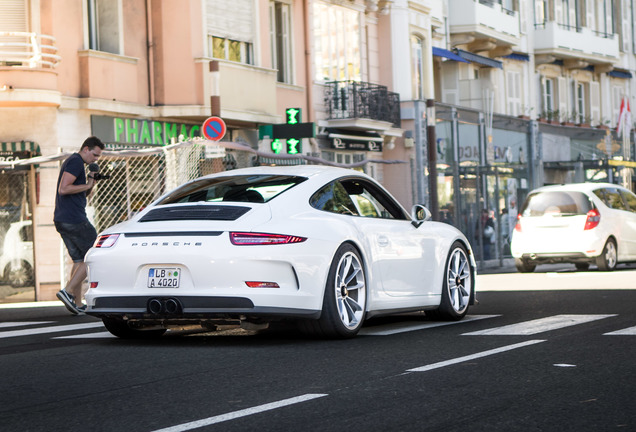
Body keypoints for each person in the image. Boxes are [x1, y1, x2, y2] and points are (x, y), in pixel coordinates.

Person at [54, 136, 104, 315]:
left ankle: (76, 301)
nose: (95, 159)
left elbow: (81, 193)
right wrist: (87, 183)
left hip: (63, 218)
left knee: (79, 259)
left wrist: (91, 181)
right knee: (92, 254)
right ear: (85, 149)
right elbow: (64, 189)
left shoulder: (77, 164)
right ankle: (67, 292)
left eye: (98, 157)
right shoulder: (75, 161)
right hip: (74, 219)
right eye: (94, 155)